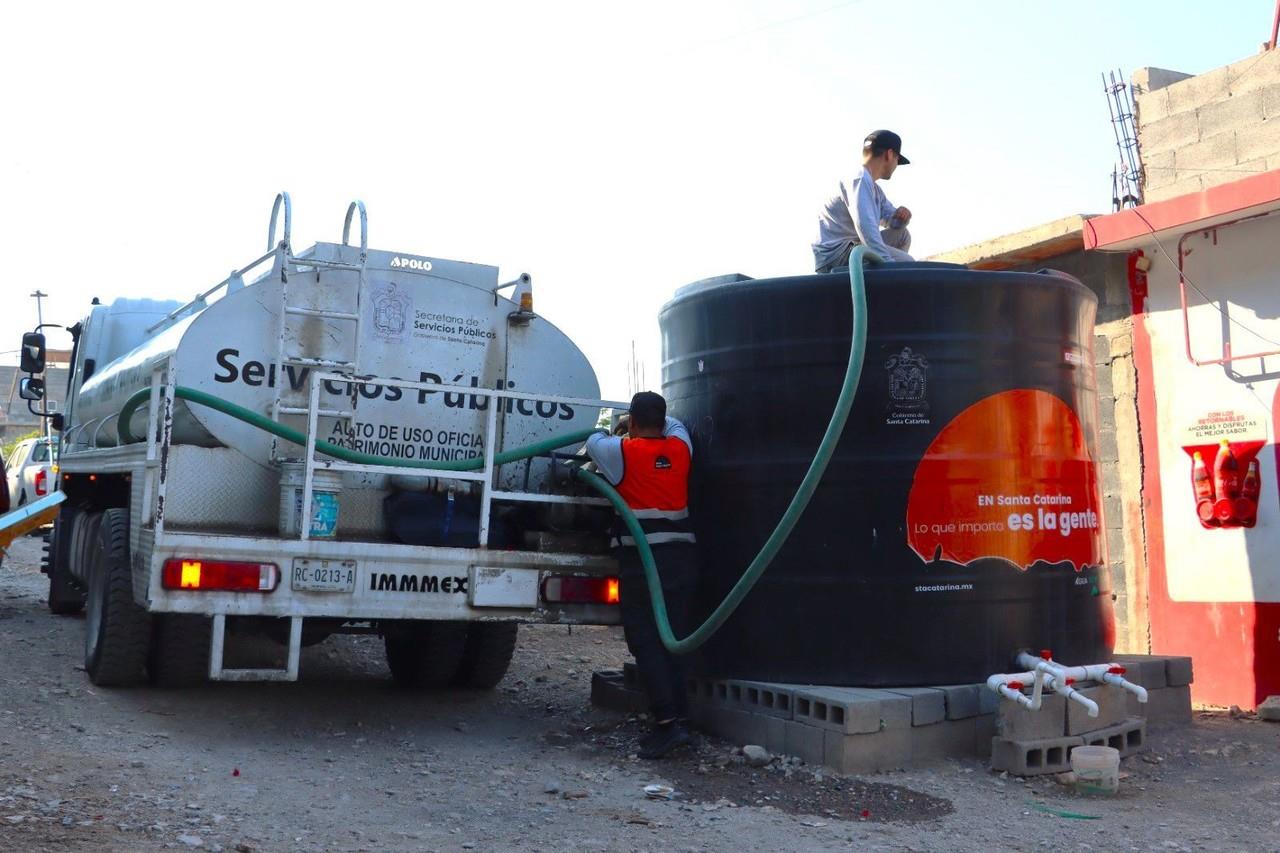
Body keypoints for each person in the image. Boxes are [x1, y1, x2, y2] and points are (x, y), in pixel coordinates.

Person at [585, 392, 700, 759]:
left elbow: (593, 441)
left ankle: (666, 725)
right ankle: (682, 721)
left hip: (642, 560)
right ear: (663, 422)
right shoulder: (682, 449)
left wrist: (620, 432)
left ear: (632, 422)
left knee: (647, 641)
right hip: (682, 559)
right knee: (676, 641)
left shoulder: (622, 453)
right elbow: (677, 426)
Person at [812, 129, 915, 272]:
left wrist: (901, 217)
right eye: (897, 159)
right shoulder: (859, 179)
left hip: (853, 247)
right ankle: (886, 284)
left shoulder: (873, 188)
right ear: (890, 154)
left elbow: (891, 222)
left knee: (902, 235)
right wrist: (890, 267)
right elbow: (866, 229)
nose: (896, 165)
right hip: (835, 255)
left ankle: (877, 281)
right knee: (907, 263)